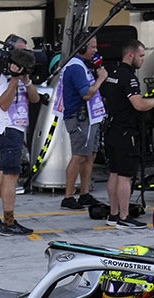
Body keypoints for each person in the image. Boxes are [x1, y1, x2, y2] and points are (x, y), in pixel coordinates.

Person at [100, 39, 154, 229]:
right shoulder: (129, 77)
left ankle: (113, 214)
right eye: (141, 56)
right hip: (126, 132)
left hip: (111, 129)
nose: (143, 59)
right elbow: (139, 104)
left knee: (114, 173)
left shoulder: (112, 73)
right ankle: (124, 217)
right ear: (130, 55)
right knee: (125, 175)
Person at [0, 41, 39, 235]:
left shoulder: (20, 76)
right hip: (6, 130)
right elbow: (3, 104)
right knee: (11, 177)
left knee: (4, 173)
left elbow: (35, 99)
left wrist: (26, 80)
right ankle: (9, 223)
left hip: (15, 129)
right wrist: (14, 79)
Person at [58, 34, 107, 210]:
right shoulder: (75, 67)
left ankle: (84, 193)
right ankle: (68, 196)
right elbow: (86, 93)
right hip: (79, 117)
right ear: (82, 47)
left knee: (89, 155)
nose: (95, 50)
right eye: (93, 47)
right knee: (78, 155)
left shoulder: (82, 65)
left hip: (90, 116)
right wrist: (101, 78)